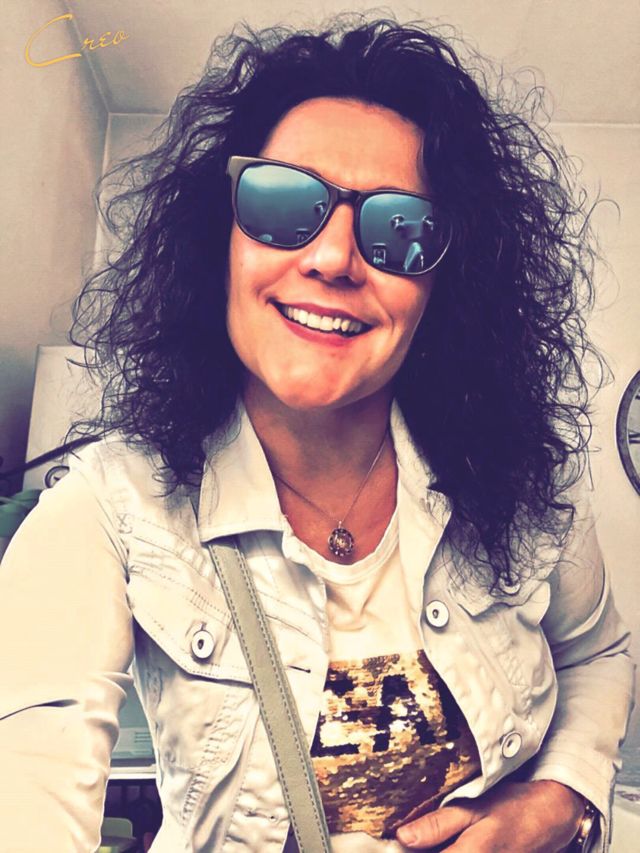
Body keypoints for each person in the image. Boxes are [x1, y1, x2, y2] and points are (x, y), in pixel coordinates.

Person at [0, 15, 634, 852]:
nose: (335, 257)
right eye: (282, 202)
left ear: (444, 287)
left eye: (400, 229)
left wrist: (560, 801)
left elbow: (599, 653)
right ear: (220, 241)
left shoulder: (521, 484)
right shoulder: (106, 511)